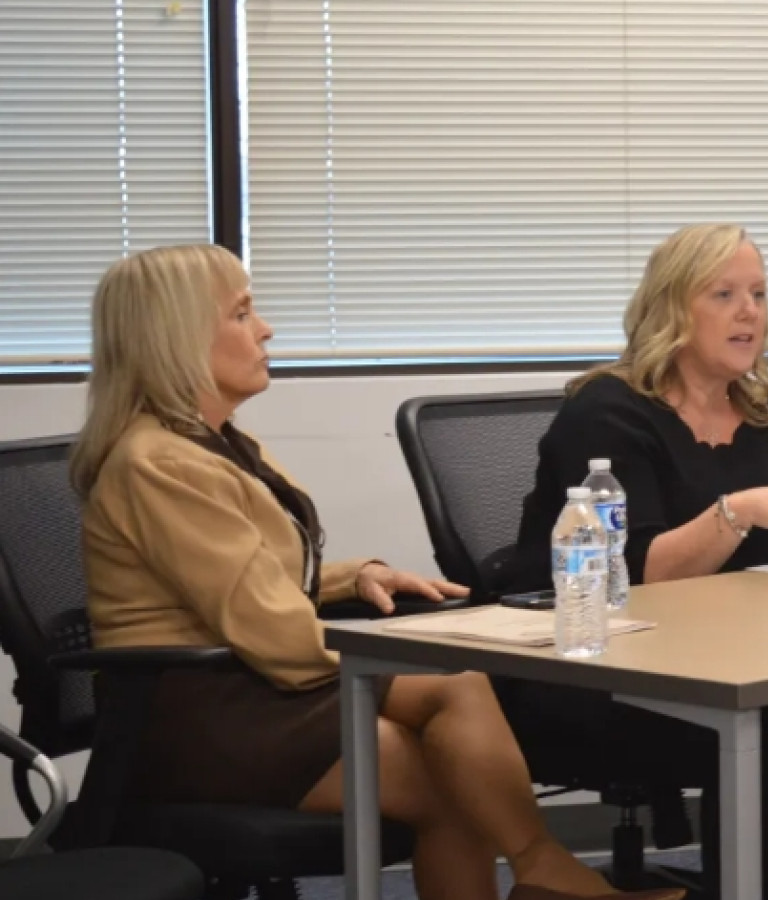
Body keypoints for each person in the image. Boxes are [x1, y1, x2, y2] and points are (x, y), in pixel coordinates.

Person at [72, 245, 679, 900]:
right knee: (454, 705)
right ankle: (547, 871)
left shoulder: (212, 444)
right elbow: (272, 632)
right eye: (242, 313)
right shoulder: (159, 463)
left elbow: (238, 577)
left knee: (456, 746)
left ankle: (545, 873)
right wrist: (406, 650)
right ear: (178, 338)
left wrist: (352, 575)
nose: (265, 328)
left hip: (250, 692)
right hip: (204, 719)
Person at [506, 223, 768, 900]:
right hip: (605, 672)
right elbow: (638, 574)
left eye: (757, 293)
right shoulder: (607, 414)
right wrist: (737, 511)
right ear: (673, 308)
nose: (749, 311)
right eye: (724, 293)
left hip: (750, 656)